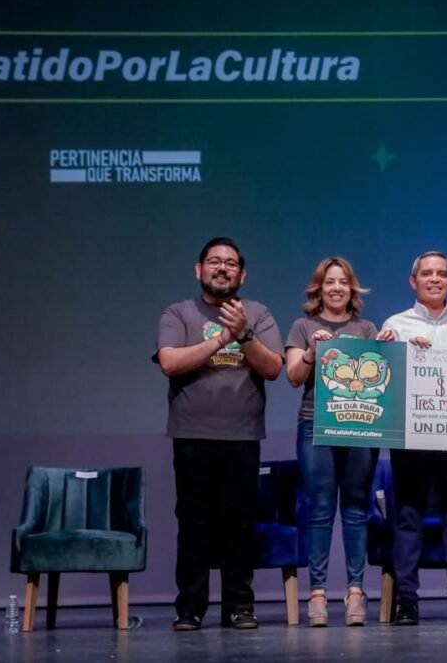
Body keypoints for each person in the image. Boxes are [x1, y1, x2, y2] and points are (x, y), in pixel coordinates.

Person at [154, 236, 284, 631]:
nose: (222, 268)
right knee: (193, 522)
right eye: (214, 261)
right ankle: (189, 608)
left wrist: (243, 335)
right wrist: (221, 339)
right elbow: (170, 362)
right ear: (199, 270)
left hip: (242, 435)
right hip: (192, 434)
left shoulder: (257, 313)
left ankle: (239, 606)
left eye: (230, 263)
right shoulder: (179, 313)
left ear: (242, 275)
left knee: (239, 523)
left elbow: (273, 368)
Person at [284, 257, 393, 627]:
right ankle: (317, 593)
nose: (336, 288)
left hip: (362, 426)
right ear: (318, 289)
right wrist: (311, 353)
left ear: (352, 288)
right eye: (329, 282)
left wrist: (385, 349)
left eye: (343, 282)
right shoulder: (303, 326)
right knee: (319, 509)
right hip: (316, 425)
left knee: (357, 509)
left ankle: (355, 592)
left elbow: (383, 377)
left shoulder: (366, 328)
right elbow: (293, 377)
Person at [380, 251, 447, 626]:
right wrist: (388, 349)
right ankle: (407, 601)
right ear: (414, 281)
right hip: (411, 436)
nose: (435, 279)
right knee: (408, 518)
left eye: (441, 274)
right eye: (427, 273)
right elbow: (384, 379)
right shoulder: (395, 325)